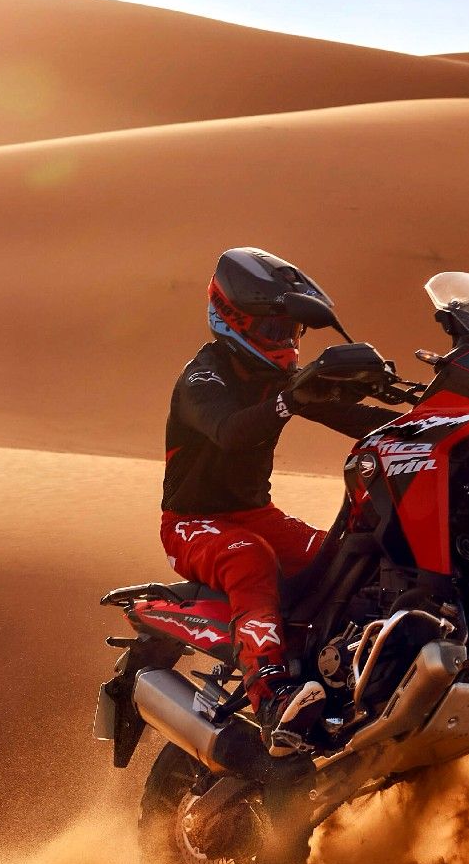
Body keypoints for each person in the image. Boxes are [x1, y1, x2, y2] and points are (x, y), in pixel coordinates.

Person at [160, 248, 398, 755]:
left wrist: (428, 416)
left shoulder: (273, 380)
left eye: (291, 332)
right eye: (274, 331)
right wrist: (292, 398)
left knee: (345, 557)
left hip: (255, 515)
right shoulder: (203, 378)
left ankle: (351, 674)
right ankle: (270, 694)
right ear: (233, 321)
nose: (286, 344)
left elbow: (347, 415)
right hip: (192, 522)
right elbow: (229, 432)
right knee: (250, 558)